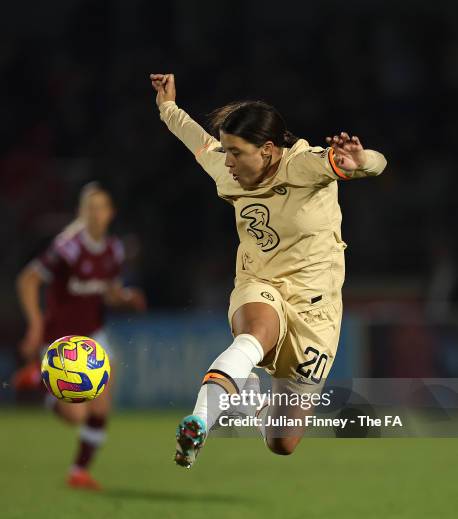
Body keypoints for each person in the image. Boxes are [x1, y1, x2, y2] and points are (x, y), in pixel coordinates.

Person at [150, 73, 387, 468]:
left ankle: (251, 403)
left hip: (317, 308)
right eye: (226, 150)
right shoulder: (229, 169)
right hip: (260, 282)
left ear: (269, 150)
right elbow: (195, 138)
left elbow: (376, 164)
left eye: (236, 152)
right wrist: (167, 107)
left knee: (282, 441)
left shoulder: (305, 167)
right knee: (255, 334)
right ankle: (199, 424)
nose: (227, 161)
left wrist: (363, 161)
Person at [16, 182, 146, 489]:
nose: (94, 214)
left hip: (92, 335)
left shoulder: (114, 250)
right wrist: (35, 324)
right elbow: (28, 280)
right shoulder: (68, 248)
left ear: (110, 213)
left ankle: (79, 470)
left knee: (101, 405)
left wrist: (126, 298)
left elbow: (110, 293)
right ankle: (42, 381)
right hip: (60, 338)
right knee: (76, 416)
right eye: (89, 208)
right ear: (80, 212)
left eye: (100, 207)